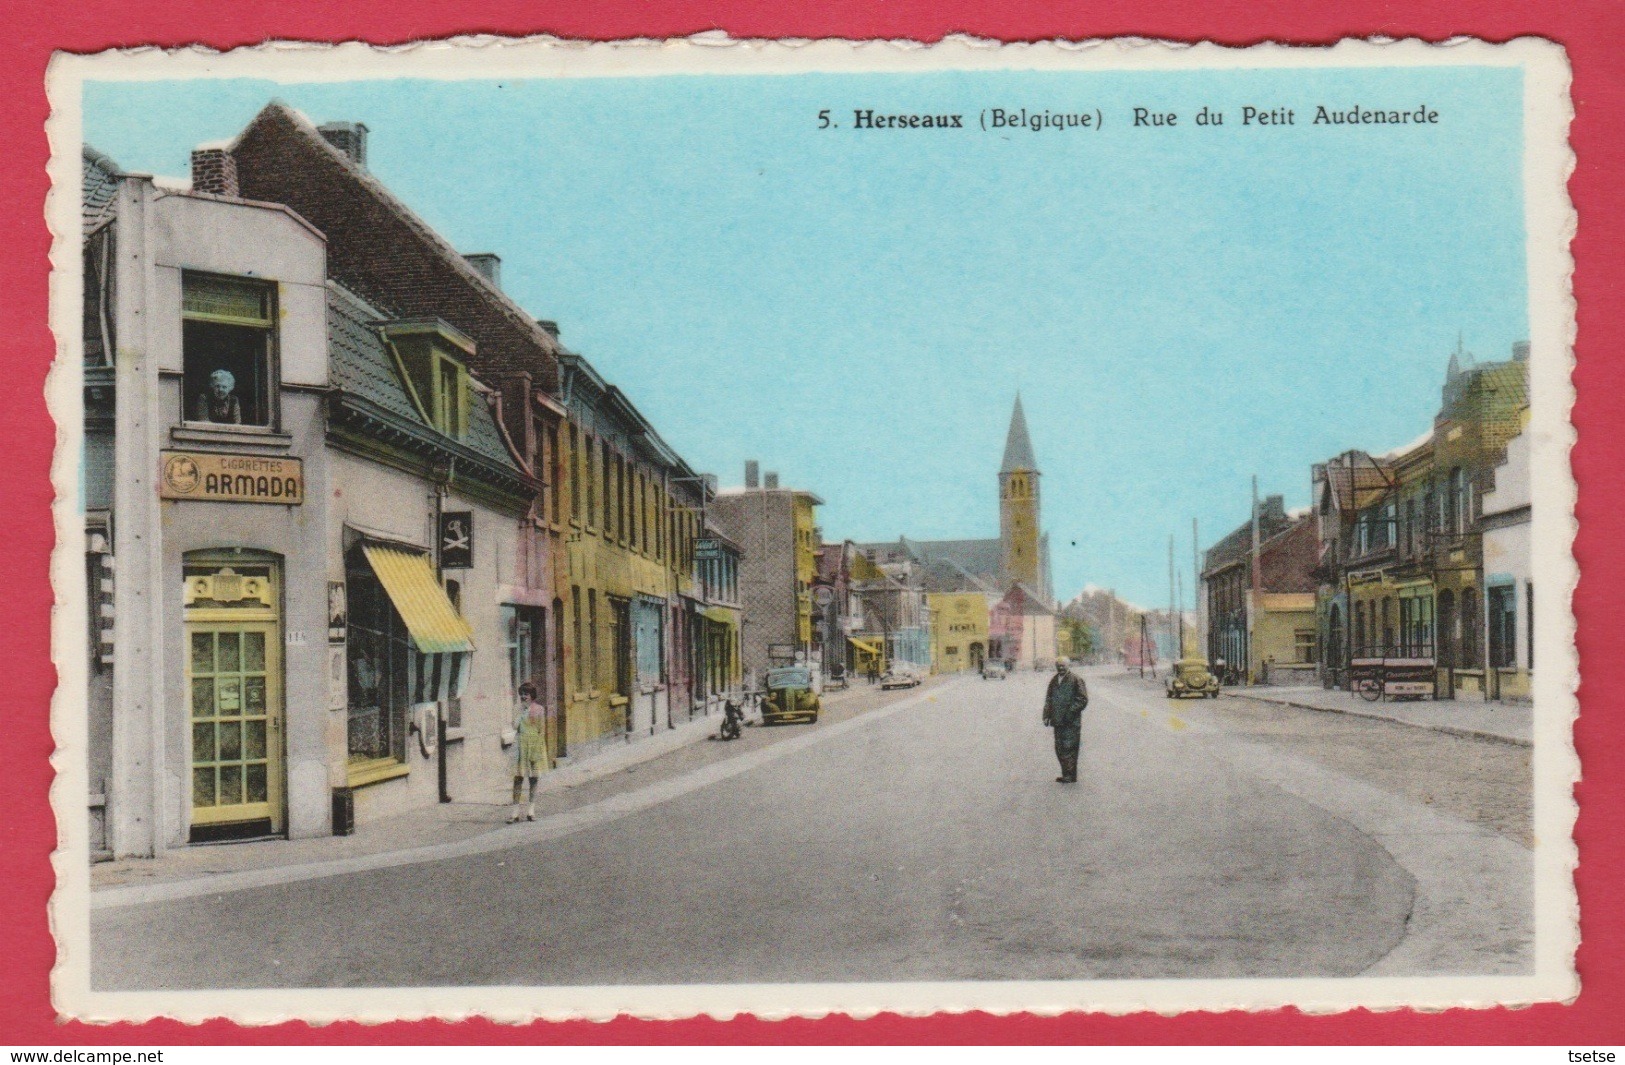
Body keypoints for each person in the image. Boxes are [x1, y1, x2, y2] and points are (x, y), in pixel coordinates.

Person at [508, 681, 552, 823]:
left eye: (526, 694)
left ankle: (531, 811)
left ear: (532, 695)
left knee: (533, 778)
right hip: (520, 745)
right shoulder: (517, 709)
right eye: (521, 694)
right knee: (518, 778)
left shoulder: (539, 709)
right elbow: (514, 726)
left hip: (534, 744)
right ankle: (514, 813)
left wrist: (537, 749)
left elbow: (541, 730)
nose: (523, 696)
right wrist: (522, 712)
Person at [1042, 657, 1089, 784]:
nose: (1060, 668)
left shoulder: (1076, 679)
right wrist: (1046, 715)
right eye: (1058, 665)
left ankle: (1070, 775)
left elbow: (1082, 699)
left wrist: (1070, 712)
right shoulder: (1054, 680)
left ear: (1068, 666)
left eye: (1063, 665)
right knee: (1059, 748)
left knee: (1069, 748)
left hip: (1071, 722)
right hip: (1057, 721)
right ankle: (1066, 773)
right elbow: (1049, 699)